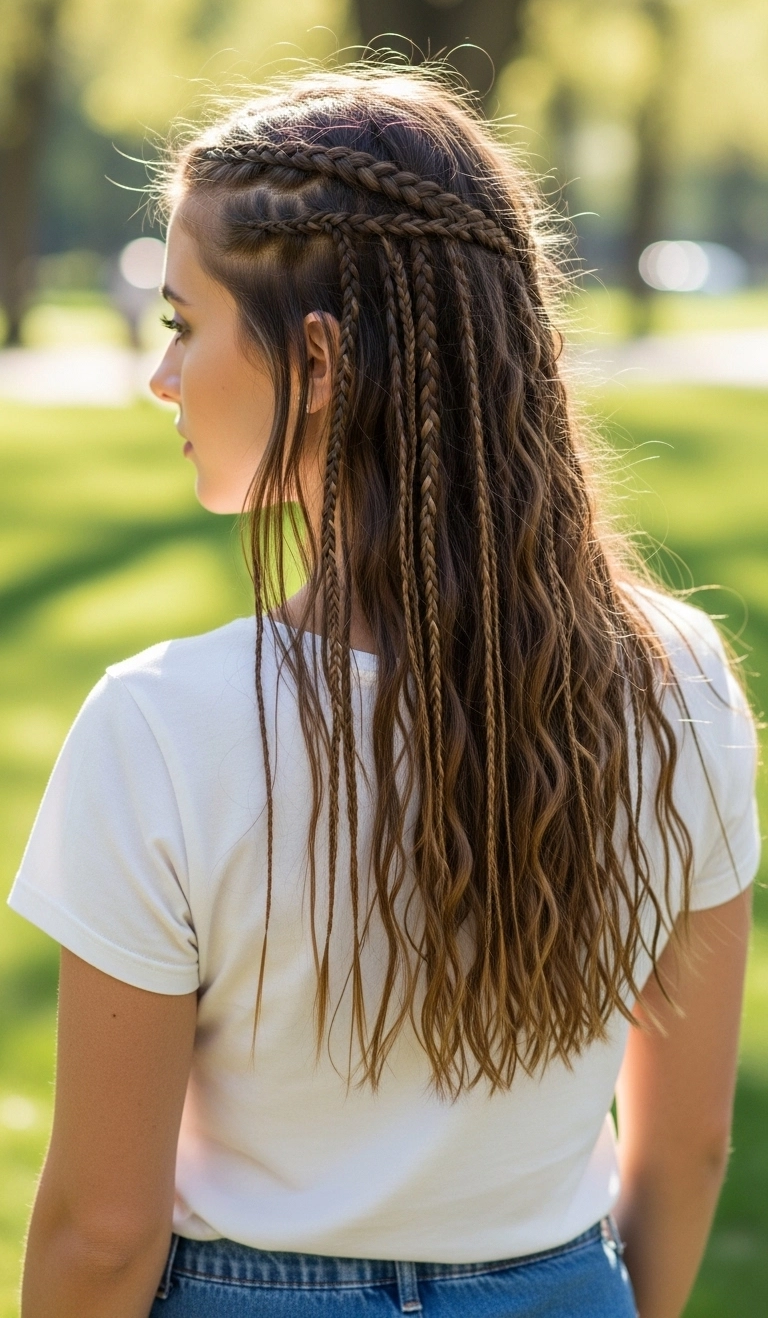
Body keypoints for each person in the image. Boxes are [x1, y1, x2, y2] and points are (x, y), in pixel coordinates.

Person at [8, 68, 759, 1318]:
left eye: (182, 326)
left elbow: (101, 1227)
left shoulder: (161, 726)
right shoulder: (680, 683)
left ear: (318, 357)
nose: (163, 381)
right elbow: (686, 1148)